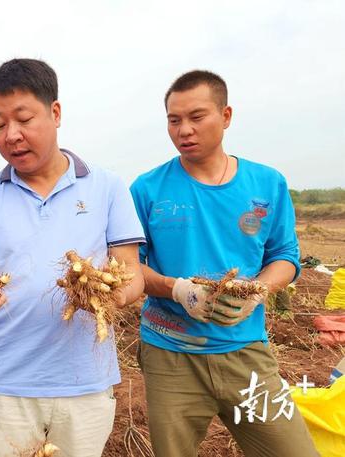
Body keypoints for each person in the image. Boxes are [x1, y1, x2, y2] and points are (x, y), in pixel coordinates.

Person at [0, 58, 145, 457]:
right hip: (4, 386)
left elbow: (132, 273)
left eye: (23, 119)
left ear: (55, 112)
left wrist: (112, 297)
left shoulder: (107, 187)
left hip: (85, 385)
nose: (11, 135)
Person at [130, 70, 318, 457]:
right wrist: (178, 289)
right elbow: (130, 267)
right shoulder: (147, 189)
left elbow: (284, 255)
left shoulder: (267, 184)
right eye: (174, 120)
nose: (185, 130)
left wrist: (258, 292)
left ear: (226, 115)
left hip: (246, 352)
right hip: (170, 353)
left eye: (197, 117)